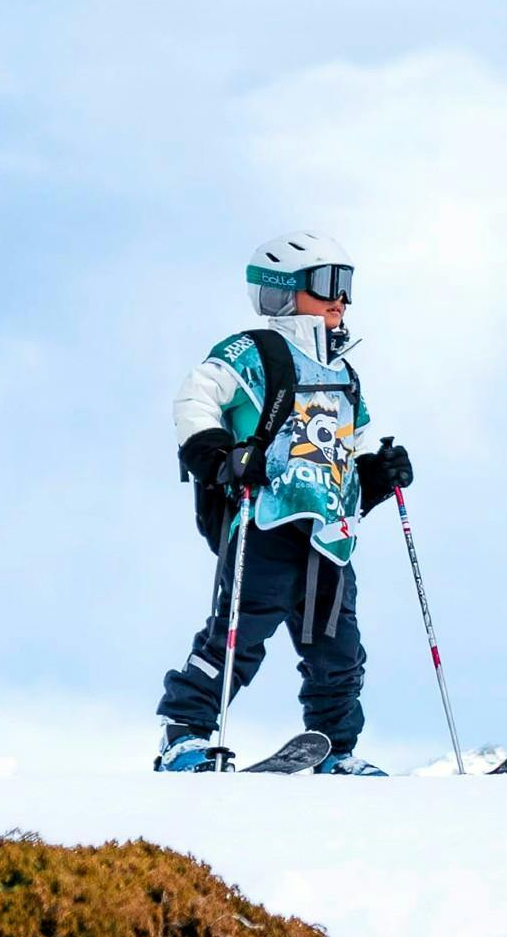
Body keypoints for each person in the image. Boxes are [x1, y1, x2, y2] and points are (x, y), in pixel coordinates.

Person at [154, 232, 413, 773]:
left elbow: (339, 462)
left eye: (346, 285)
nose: (340, 298)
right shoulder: (254, 352)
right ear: (282, 291)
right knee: (237, 636)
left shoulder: (344, 374)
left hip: (330, 535)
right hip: (264, 524)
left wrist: (378, 478)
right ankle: (185, 736)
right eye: (325, 284)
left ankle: (335, 748)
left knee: (339, 652)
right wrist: (218, 455)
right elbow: (195, 397)